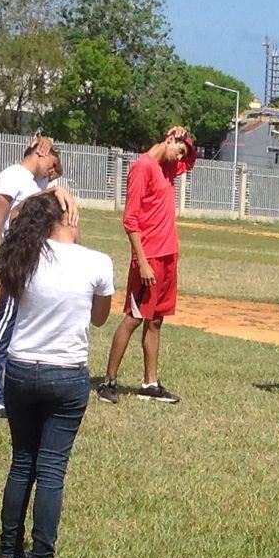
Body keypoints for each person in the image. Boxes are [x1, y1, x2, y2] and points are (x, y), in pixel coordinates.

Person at [0, 191, 113, 558]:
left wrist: (46, 195)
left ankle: (9, 554)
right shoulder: (97, 262)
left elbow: (13, 216)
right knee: (51, 469)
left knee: (22, 462)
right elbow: (98, 319)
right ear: (71, 216)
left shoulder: (23, 254)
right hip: (66, 374)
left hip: (21, 369)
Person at [98, 124, 198, 404]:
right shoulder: (143, 167)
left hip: (168, 256)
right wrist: (141, 261)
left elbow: (191, 160)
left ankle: (150, 384)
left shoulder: (169, 167)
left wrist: (185, 137)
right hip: (149, 257)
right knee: (133, 317)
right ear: (167, 140)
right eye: (178, 149)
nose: (181, 158)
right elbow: (130, 219)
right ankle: (109, 382)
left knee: (155, 320)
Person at [0, 137, 65, 416]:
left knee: (22, 329)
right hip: (17, 257)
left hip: (35, 258)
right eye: (53, 165)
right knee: (3, 329)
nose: (53, 173)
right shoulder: (13, 175)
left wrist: (45, 142)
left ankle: (13, 389)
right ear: (41, 153)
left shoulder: (37, 183)